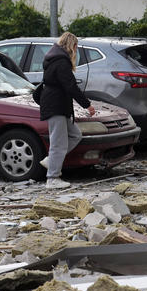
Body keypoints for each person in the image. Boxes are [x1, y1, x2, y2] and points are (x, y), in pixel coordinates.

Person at [38, 32, 95, 189]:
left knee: (75, 134)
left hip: (57, 105)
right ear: (73, 46)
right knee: (58, 143)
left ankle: (51, 160)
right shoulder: (61, 62)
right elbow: (70, 86)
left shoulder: (54, 58)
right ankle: (52, 178)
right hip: (56, 106)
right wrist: (87, 105)